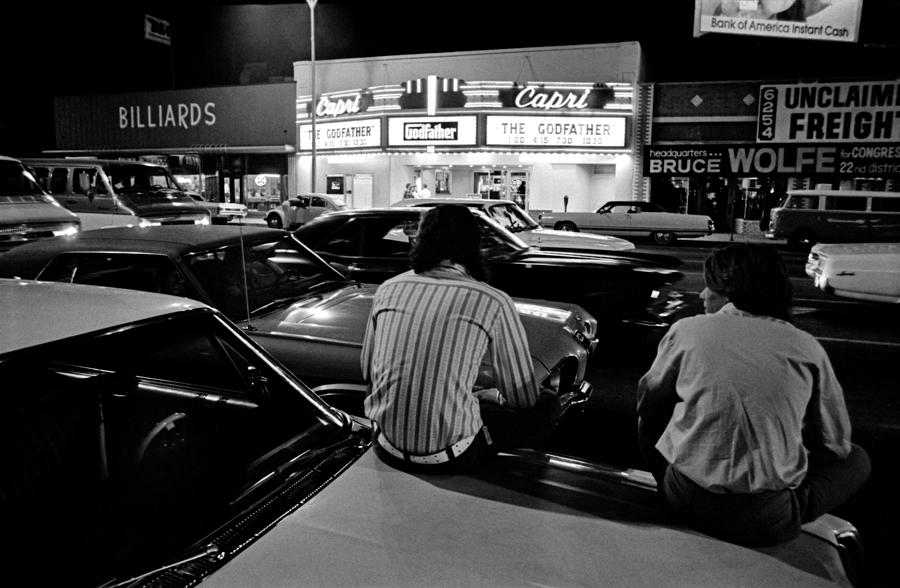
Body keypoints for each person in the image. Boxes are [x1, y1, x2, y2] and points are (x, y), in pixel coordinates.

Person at [636, 243, 870, 547]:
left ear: (733, 292)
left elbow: (649, 401)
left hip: (684, 497)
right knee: (858, 458)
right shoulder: (805, 346)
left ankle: (666, 486)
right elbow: (834, 445)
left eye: (711, 287)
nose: (703, 295)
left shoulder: (686, 330)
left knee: (651, 415)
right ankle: (789, 509)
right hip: (763, 521)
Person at [361, 204, 560, 474]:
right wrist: (493, 395)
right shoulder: (492, 299)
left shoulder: (388, 288)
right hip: (452, 456)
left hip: (385, 446)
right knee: (546, 401)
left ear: (421, 241)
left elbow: (368, 370)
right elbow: (521, 397)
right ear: (472, 246)